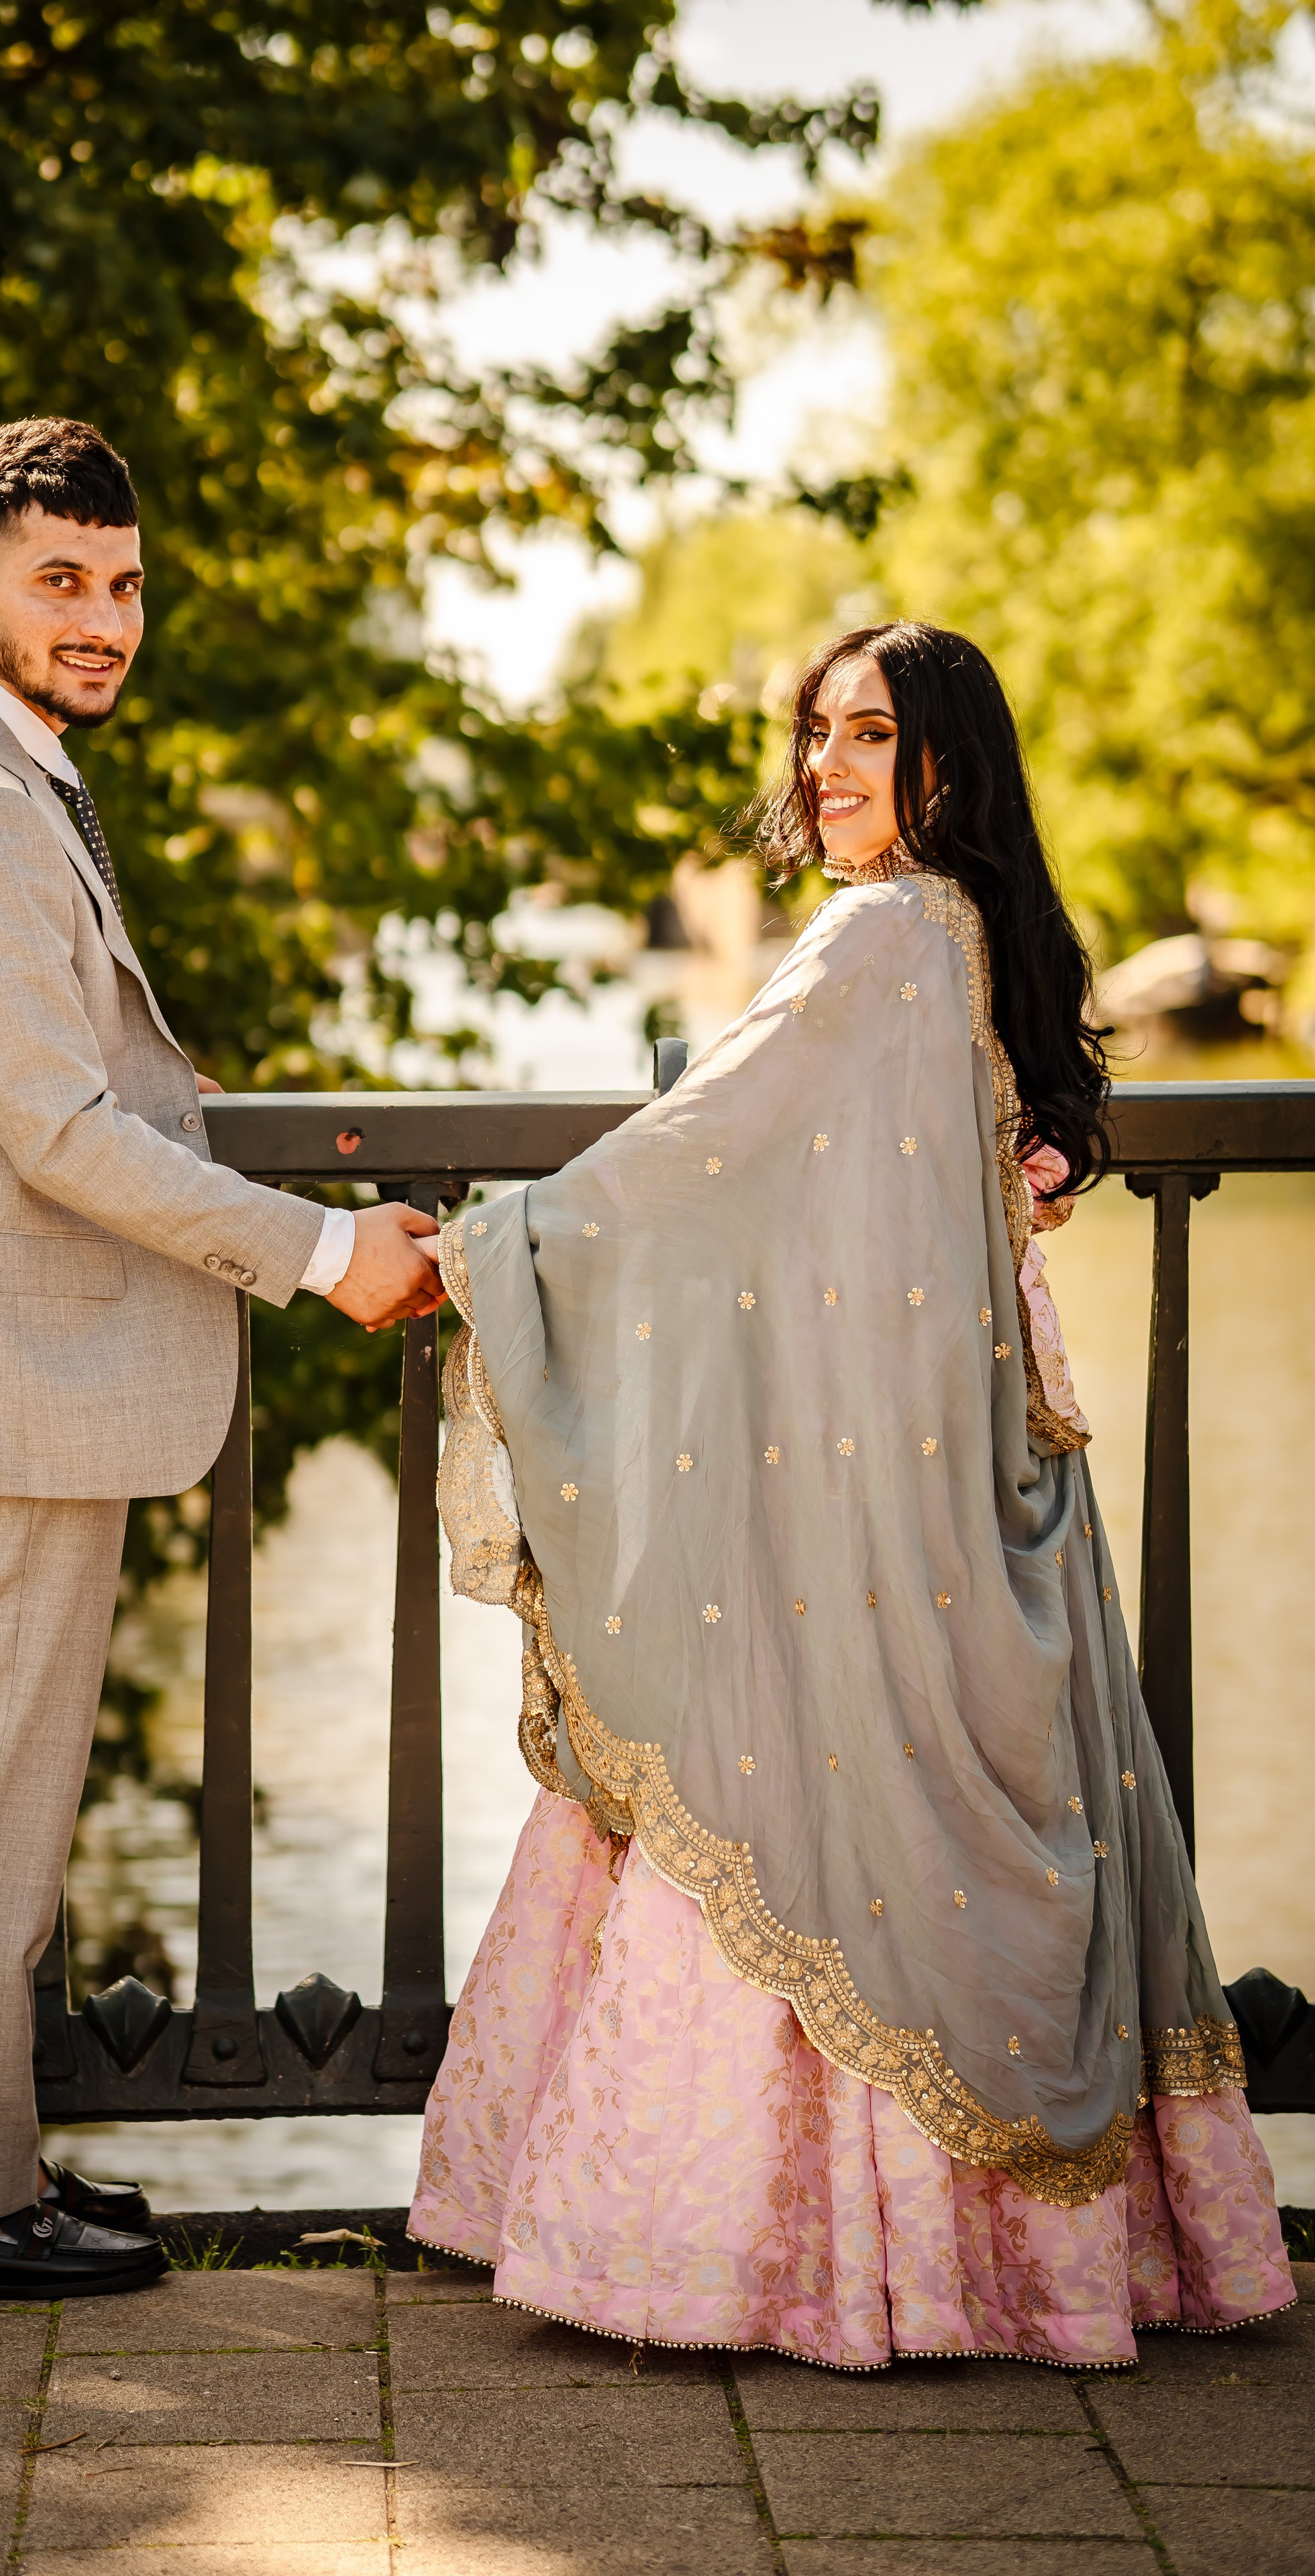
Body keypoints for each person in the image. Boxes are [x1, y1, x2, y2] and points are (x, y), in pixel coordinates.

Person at [414, 621, 1294, 2367]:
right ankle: (1032, 2260)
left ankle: (778, 2256)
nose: (827, 767)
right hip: (974, 1452)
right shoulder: (973, 933)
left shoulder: (875, 934)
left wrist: (495, 1247)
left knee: (817, 1785)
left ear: (946, 767)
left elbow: (699, 1152)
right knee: (978, 1807)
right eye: (817, 733)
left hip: (890, 1464)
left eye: (870, 736)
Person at [0, 416, 443, 2303]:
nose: (103, 618)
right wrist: (322, 1251)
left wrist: (155, 1082)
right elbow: (53, 1137)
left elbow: (12, 1067)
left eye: (124, 583)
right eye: (59, 580)